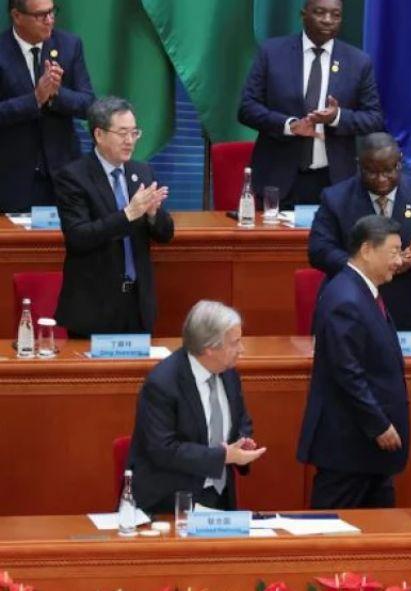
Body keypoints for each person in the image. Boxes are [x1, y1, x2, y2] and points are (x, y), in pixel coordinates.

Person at [298, 215, 410, 508]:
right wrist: (379, 425)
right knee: (332, 537)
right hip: (349, 447)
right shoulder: (346, 298)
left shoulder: (361, 292)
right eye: (394, 252)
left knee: (377, 536)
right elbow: (347, 372)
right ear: (367, 250)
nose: (399, 261)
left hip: (368, 453)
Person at [239, 0, 384, 209]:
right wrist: (289, 125)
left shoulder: (358, 62)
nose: (328, 20)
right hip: (277, 179)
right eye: (320, 12)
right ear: (303, 14)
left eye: (335, 15)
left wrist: (336, 117)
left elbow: (374, 118)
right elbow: (247, 108)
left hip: (334, 181)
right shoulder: (272, 53)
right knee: (274, 242)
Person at [308, 132, 411, 333]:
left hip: (408, 308)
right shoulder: (335, 198)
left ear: (400, 163)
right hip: (350, 307)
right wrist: (363, 267)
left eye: (388, 170)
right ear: (359, 164)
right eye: (371, 172)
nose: (381, 179)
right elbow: (319, 250)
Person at [128, 301, 266, 514]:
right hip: (170, 502)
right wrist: (224, 456)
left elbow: (242, 420)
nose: (242, 349)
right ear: (209, 348)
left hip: (218, 499)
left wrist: (242, 441)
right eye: (235, 343)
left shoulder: (229, 373)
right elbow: (163, 450)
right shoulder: (163, 383)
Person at [54, 96, 173, 338]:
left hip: (137, 304)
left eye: (134, 133)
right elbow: (78, 236)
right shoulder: (73, 177)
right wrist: (128, 214)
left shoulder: (142, 171)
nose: (130, 141)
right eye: (122, 133)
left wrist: (152, 214)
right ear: (99, 134)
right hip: (93, 307)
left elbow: (165, 233)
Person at [0, 0, 94, 213]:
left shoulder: (70, 45)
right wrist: (35, 99)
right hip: (12, 180)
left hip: (63, 177)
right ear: (17, 16)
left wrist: (56, 94)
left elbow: (88, 104)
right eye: (41, 15)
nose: (50, 20)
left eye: (52, 12)